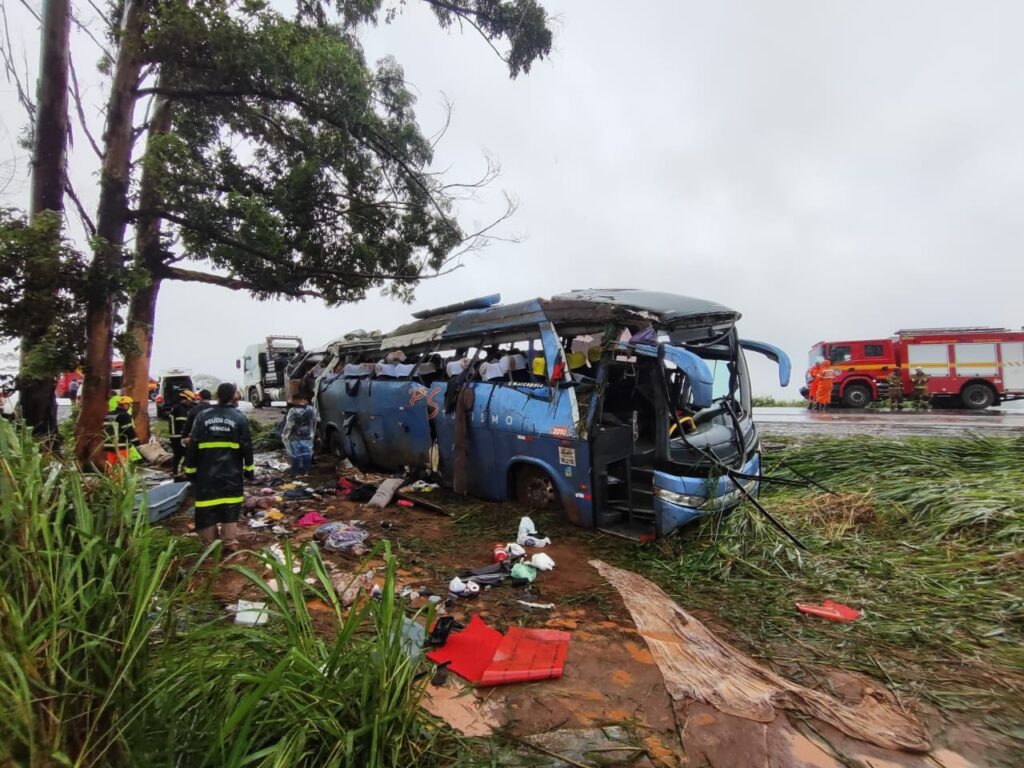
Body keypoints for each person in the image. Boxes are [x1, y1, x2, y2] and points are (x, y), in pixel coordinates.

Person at [184, 383, 253, 550]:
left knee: (206, 506)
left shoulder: (202, 416)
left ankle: (210, 545)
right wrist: (249, 470)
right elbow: (246, 445)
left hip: (205, 472)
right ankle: (229, 543)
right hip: (231, 472)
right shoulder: (239, 417)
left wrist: (190, 471)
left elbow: (193, 445)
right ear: (233, 396)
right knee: (230, 506)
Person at [102, 395, 141, 471]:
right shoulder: (125, 416)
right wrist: (137, 444)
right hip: (121, 446)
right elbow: (129, 431)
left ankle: (111, 481)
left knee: (111, 466)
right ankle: (119, 481)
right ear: (126, 405)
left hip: (108, 445)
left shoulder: (108, 415)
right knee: (121, 467)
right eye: (130, 405)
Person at [282, 396, 317, 476]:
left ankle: (295, 473)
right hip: (307, 435)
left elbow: (289, 425)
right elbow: (315, 421)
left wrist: (285, 436)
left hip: (295, 436)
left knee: (296, 455)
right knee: (307, 454)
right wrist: (312, 433)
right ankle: (306, 471)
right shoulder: (311, 409)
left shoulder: (293, 411)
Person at [167, 389, 197, 477]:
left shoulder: (176, 407)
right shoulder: (181, 409)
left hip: (174, 436)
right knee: (182, 456)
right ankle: (177, 475)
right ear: (186, 398)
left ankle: (176, 472)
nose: (191, 403)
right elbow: (183, 425)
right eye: (190, 401)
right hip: (179, 437)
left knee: (177, 456)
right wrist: (187, 436)